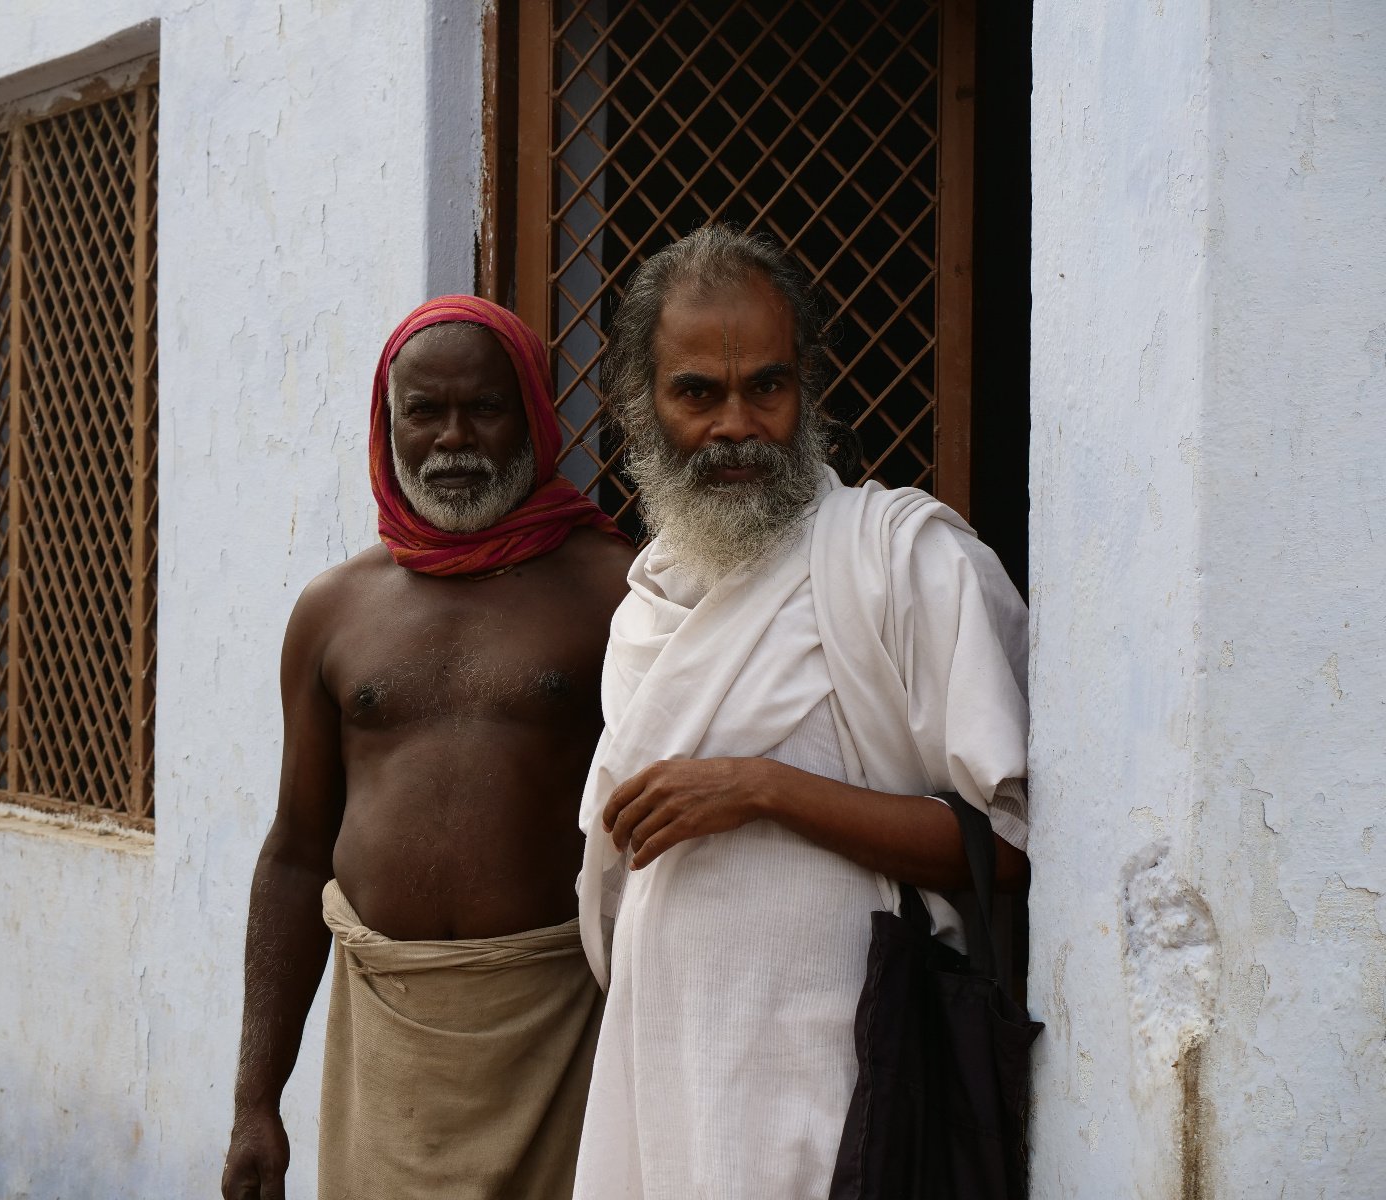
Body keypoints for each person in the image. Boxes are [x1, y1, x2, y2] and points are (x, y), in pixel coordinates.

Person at [570, 226, 1032, 1199]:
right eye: (697, 393)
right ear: (641, 409)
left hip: (851, 1094)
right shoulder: (644, 608)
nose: (735, 424)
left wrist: (762, 790)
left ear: (804, 392)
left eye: (764, 388)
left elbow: (1005, 852)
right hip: (669, 1086)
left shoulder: (905, 564)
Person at [222, 295, 634, 1200]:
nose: (454, 439)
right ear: (387, 421)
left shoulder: (617, 594)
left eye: (484, 408)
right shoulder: (334, 613)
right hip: (384, 1047)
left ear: (531, 411)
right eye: (425, 411)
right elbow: (295, 855)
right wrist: (257, 1101)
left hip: (561, 1036)